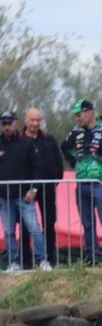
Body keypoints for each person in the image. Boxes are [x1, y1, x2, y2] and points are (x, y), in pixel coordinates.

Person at [0, 110, 48, 272]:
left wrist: (33, 189)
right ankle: (14, 263)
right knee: (8, 232)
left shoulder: (26, 143)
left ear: (16, 123)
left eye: (9, 123)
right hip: (4, 197)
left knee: (34, 228)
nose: (6, 127)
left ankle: (43, 261)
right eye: (3, 124)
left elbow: (38, 168)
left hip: (24, 196)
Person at [60, 99, 102, 264]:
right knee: (87, 223)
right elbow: (64, 147)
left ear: (89, 112)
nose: (77, 119)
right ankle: (92, 256)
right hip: (81, 183)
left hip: (100, 182)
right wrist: (73, 162)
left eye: (79, 115)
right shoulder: (76, 132)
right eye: (75, 116)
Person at [20, 108, 63, 266]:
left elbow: (58, 162)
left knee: (49, 222)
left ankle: (49, 258)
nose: (35, 124)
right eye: (32, 120)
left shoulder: (48, 139)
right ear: (26, 121)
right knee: (25, 225)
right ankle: (25, 261)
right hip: (25, 190)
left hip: (47, 188)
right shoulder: (19, 140)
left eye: (38, 120)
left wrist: (56, 181)